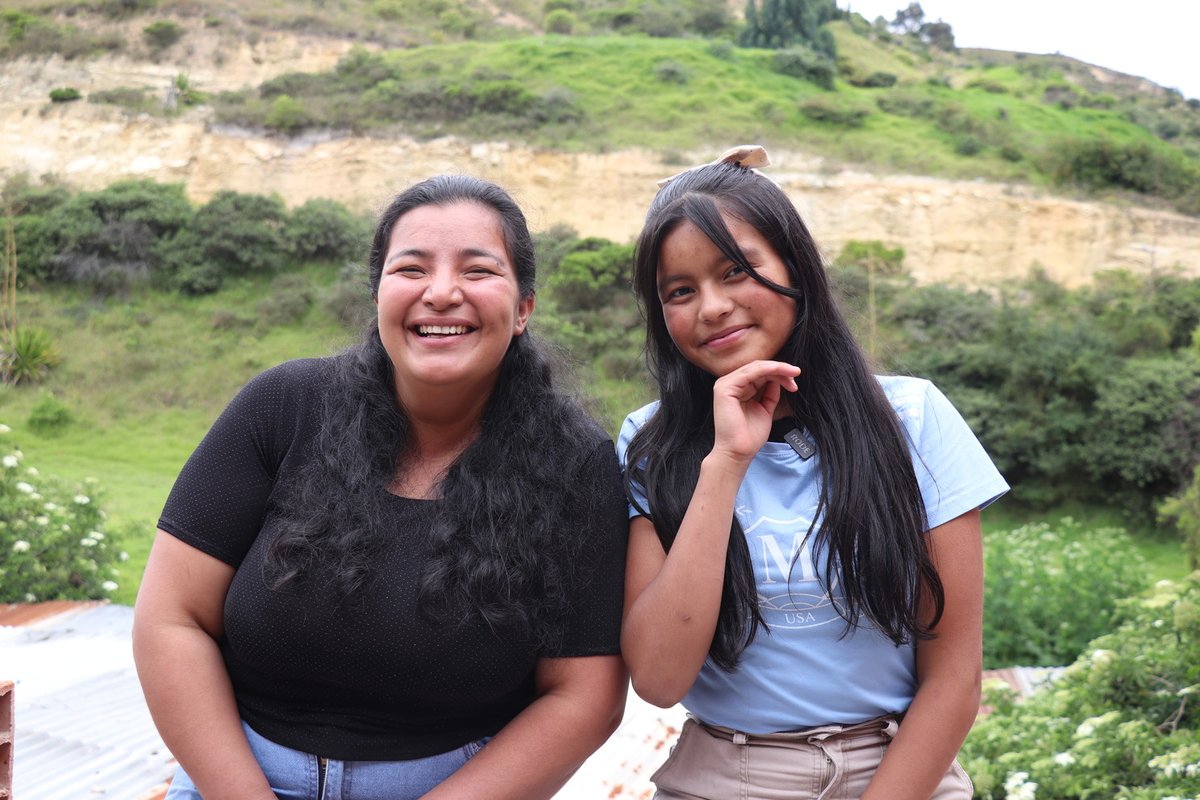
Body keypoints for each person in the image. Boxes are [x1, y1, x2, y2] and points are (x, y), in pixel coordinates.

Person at [133, 175, 629, 800]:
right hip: (237, 780)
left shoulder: (574, 464)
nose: (442, 293)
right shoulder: (283, 407)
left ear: (524, 308)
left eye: (478, 271)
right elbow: (171, 619)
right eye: (411, 268)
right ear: (378, 296)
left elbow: (584, 696)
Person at [618, 146, 1009, 799]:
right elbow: (659, 679)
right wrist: (726, 464)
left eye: (737, 271)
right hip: (725, 777)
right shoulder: (650, 442)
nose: (711, 307)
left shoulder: (913, 419)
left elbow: (953, 680)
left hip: (902, 773)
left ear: (797, 269)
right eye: (680, 292)